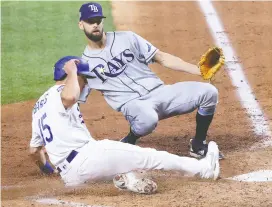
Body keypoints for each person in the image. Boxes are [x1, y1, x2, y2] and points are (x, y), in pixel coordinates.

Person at [29, 56, 220, 194]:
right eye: (84, 78)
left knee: (125, 161)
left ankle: (127, 177)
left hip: (71, 177)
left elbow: (34, 150)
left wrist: (48, 170)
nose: (86, 83)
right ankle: (204, 170)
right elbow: (70, 96)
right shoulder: (62, 92)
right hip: (88, 157)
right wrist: (72, 72)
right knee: (151, 156)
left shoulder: (39, 107)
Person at [77, 2, 224, 159]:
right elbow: (73, 98)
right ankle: (130, 140)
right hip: (134, 105)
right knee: (148, 118)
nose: (95, 25)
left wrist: (198, 70)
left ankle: (198, 144)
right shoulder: (84, 65)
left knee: (209, 92)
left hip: (161, 93)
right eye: (90, 22)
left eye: (98, 20)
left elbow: (161, 57)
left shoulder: (127, 38)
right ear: (81, 25)